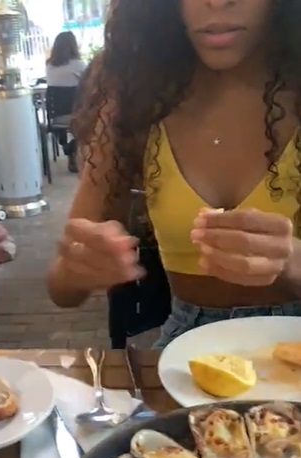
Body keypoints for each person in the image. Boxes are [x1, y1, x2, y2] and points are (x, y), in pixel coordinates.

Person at [47, 0, 301, 348]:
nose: (217, 2)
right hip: (186, 350)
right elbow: (61, 290)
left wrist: (293, 262)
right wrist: (78, 267)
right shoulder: (136, 100)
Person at [46, 31, 86, 173]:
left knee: (64, 115)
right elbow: (89, 84)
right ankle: (73, 147)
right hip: (77, 115)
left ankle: (66, 146)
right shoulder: (79, 65)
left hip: (56, 117)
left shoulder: (49, 65)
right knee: (90, 122)